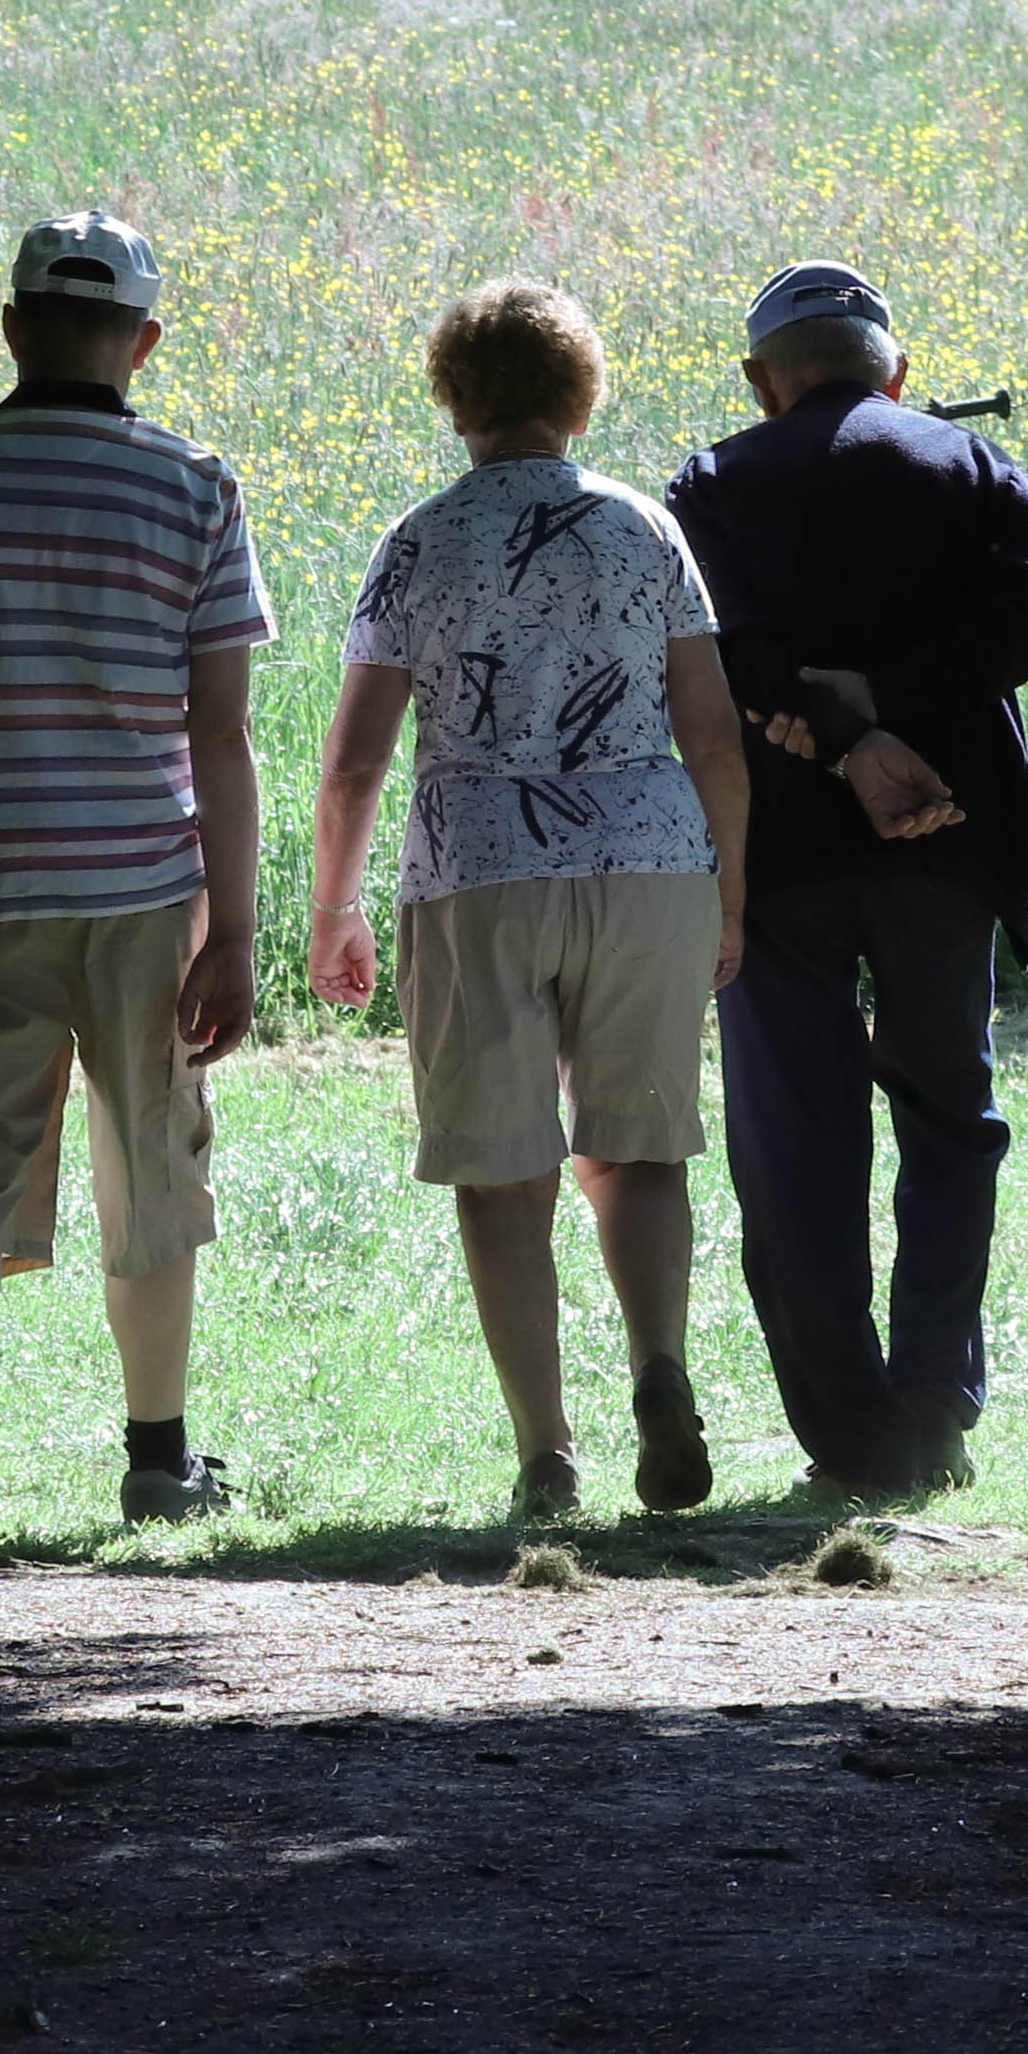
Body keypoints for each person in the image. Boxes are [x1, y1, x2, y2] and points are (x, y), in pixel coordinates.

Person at [0, 212, 273, 1545]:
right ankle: (158, 1457)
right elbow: (221, 731)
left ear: (13, 326)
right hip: (142, 883)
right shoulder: (194, 487)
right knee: (150, 1150)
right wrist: (238, 923)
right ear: (143, 342)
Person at [304, 279, 752, 1520]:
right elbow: (713, 736)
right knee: (640, 1148)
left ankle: (547, 1450)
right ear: (580, 392)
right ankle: (661, 1370)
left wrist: (332, 908)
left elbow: (354, 760)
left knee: (505, 1177)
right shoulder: (646, 530)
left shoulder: (418, 539)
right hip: (651, 863)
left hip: (478, 870)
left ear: (455, 398)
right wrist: (729, 890)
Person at [663, 260, 1028, 1500]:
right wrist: (893, 722)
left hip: (774, 853)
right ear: (896, 370)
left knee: (795, 1135)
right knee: (951, 1117)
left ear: (762, 380)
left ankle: (849, 1434)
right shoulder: (969, 464)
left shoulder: (716, 480)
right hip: (944, 842)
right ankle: (935, 1399)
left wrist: (842, 731)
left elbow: (717, 646)